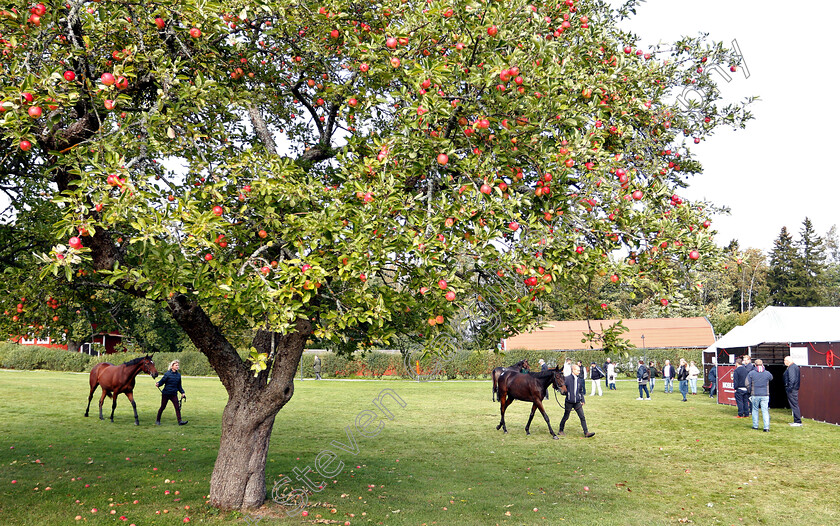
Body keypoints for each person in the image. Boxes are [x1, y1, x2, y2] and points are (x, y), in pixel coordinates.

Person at [557, 363, 595, 438]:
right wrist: (563, 392)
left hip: (577, 402)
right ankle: (560, 430)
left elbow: (580, 391)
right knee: (566, 417)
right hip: (569, 402)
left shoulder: (579, 380)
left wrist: (582, 400)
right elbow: (561, 389)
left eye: (579, 370)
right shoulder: (566, 379)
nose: (579, 371)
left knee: (582, 417)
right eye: (577, 370)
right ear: (573, 370)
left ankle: (586, 433)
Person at [155, 360, 187, 426]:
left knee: (177, 407)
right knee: (162, 407)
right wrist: (158, 384)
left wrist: (182, 392)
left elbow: (179, 386)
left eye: (178, 365)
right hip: (166, 394)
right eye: (176, 365)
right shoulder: (167, 374)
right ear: (172, 366)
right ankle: (157, 420)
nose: (177, 366)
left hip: (174, 394)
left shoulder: (178, 375)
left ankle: (180, 421)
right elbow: (162, 381)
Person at [745, 359, 773, 432]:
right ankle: (766, 427)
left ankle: (755, 425)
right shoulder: (767, 373)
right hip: (765, 394)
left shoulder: (751, 373)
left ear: (755, 365)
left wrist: (750, 391)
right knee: (765, 411)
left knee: (755, 410)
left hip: (755, 394)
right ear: (762, 364)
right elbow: (771, 378)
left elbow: (747, 383)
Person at [783, 356, 802, 426]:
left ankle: (797, 421)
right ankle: (796, 420)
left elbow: (792, 379)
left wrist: (789, 389)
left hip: (792, 389)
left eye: (785, 361)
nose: (784, 362)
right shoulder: (794, 367)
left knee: (794, 405)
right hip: (793, 388)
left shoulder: (792, 367)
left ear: (788, 361)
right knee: (794, 404)